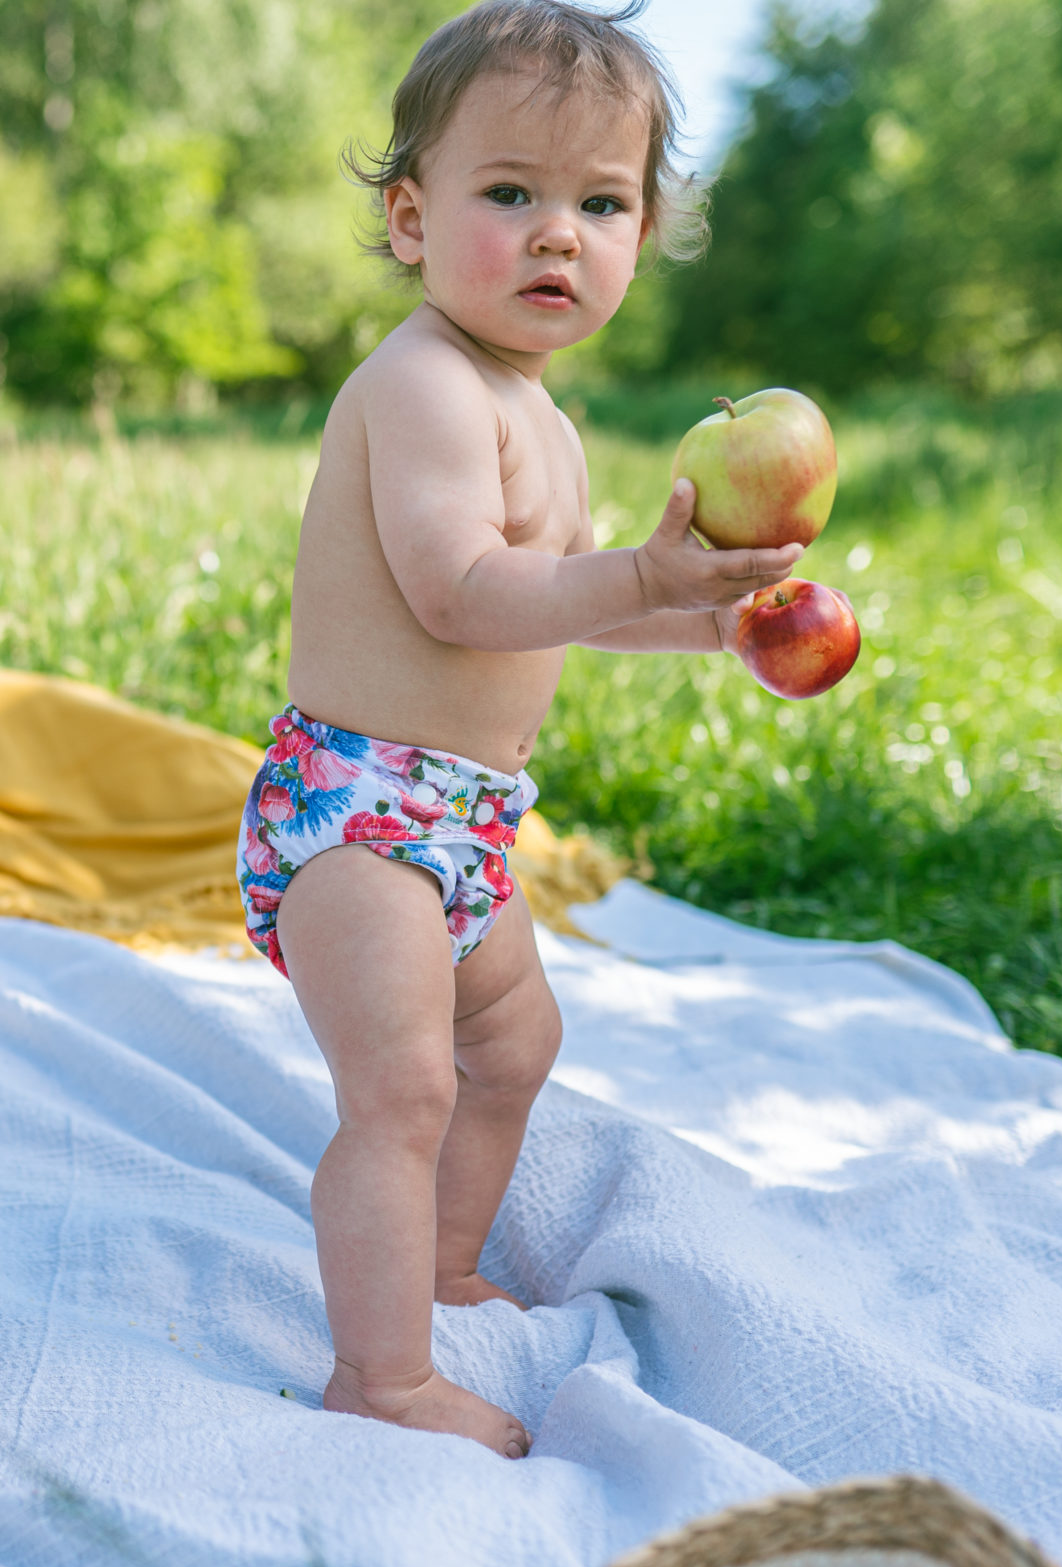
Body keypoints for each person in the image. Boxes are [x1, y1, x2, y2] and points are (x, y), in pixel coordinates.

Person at [236, 0, 801, 1458]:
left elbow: (566, 601)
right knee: (406, 1082)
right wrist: (644, 570)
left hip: (463, 821)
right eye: (512, 195)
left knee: (514, 1047)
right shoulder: (422, 383)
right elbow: (468, 591)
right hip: (358, 811)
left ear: (644, 232)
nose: (560, 235)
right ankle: (383, 1370)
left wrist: (703, 620)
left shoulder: (538, 412)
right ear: (411, 219)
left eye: (601, 203)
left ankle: (435, 1267)